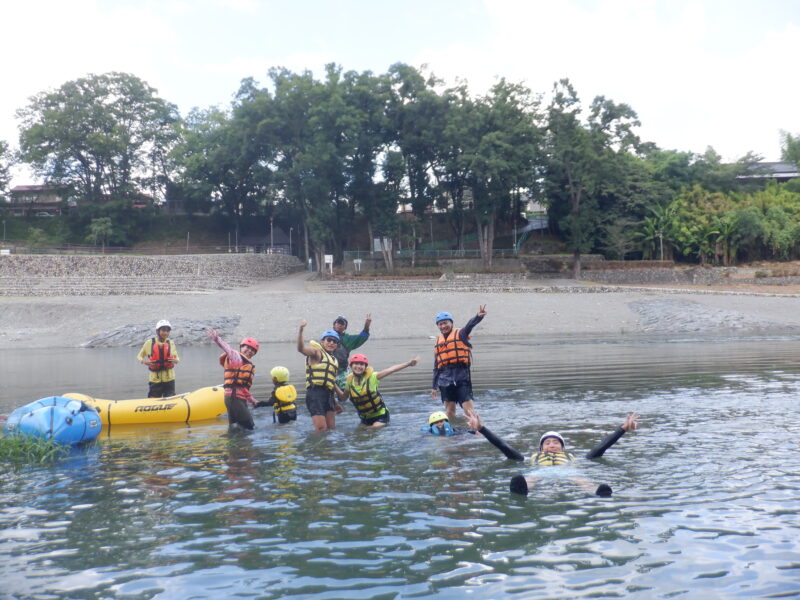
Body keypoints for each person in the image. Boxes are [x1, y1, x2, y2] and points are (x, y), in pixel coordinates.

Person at [466, 412, 640, 497]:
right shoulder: (530, 459)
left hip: (567, 471)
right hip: (541, 471)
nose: (551, 445)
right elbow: (504, 446)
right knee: (530, 478)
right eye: (547, 443)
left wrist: (623, 429)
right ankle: (521, 491)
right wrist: (482, 428)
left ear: (562, 448)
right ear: (541, 449)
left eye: (556, 442)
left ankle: (598, 492)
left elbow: (601, 447)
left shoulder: (573, 458)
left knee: (582, 480)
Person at [431, 305, 487, 421]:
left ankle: (477, 430)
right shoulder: (438, 341)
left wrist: (478, 317)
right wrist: (434, 386)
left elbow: (469, 325)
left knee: (468, 410)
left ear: (451, 323)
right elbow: (436, 366)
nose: (443, 326)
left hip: (461, 376)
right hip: (444, 379)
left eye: (445, 323)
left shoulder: (461, 334)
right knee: (449, 411)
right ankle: (453, 432)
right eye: (440, 324)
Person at [334, 353, 419, 427]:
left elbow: (391, 369)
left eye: (362, 364)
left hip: (381, 416)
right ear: (351, 365)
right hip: (365, 419)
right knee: (359, 434)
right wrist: (333, 384)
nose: (359, 366)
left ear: (365, 367)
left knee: (372, 430)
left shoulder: (372, 377)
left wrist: (408, 364)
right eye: (356, 364)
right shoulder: (349, 381)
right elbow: (343, 397)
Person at [207, 328, 260, 431]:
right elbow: (227, 348)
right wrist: (217, 338)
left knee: (234, 427)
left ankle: (233, 446)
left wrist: (251, 400)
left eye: (253, 350)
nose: (249, 351)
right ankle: (244, 446)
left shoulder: (245, 364)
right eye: (247, 348)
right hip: (234, 398)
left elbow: (243, 388)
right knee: (250, 427)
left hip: (233, 398)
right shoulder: (235, 357)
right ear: (241, 347)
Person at [297, 320, 342, 431]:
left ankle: (329, 448)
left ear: (337, 345)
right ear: (322, 341)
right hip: (315, 394)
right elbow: (301, 349)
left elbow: (330, 383)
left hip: (329, 396)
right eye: (329, 340)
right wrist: (301, 330)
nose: (331, 343)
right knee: (321, 429)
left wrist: (335, 403)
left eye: (334, 341)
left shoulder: (334, 360)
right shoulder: (316, 352)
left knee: (331, 429)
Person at [136, 319, 180, 398]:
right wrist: (144, 362)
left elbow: (177, 358)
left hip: (169, 379)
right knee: (154, 399)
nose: (166, 333)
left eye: (167, 331)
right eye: (163, 330)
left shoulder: (171, 343)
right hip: (155, 379)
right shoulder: (149, 343)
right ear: (157, 331)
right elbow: (139, 356)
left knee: (170, 399)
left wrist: (176, 361)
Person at [331, 314, 372, 389]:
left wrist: (367, 326)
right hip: (329, 371)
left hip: (342, 372)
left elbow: (362, 337)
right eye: (338, 323)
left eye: (342, 324)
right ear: (333, 325)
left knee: (345, 392)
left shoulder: (348, 339)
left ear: (345, 327)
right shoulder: (327, 338)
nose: (340, 325)